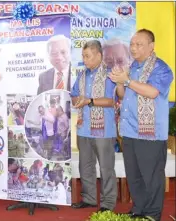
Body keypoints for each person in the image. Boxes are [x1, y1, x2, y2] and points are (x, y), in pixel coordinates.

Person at [109, 29, 174, 221]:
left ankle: (152, 214)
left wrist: (127, 80)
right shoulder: (132, 67)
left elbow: (153, 92)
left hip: (150, 134)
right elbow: (122, 95)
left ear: (151, 46)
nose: (134, 48)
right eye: (132, 44)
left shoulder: (161, 68)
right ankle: (139, 210)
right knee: (134, 175)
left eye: (139, 44)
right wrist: (120, 81)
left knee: (151, 177)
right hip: (129, 131)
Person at [71, 40, 117, 212]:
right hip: (84, 128)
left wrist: (89, 101)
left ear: (99, 55)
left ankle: (108, 203)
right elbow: (74, 95)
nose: (84, 59)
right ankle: (89, 198)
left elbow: (112, 100)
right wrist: (77, 100)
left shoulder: (110, 74)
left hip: (104, 130)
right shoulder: (82, 75)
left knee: (106, 168)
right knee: (85, 166)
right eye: (83, 56)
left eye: (87, 56)